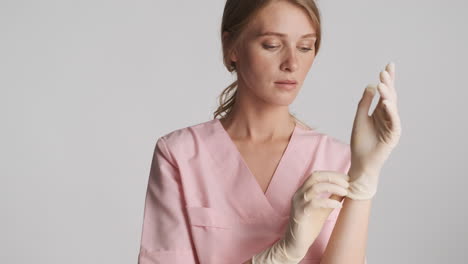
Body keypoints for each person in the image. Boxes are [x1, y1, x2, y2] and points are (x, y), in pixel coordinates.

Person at [137, 0, 401, 263]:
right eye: (272, 45)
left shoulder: (339, 159)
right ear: (231, 47)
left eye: (305, 47)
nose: (292, 63)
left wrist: (364, 177)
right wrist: (281, 256)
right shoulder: (180, 155)